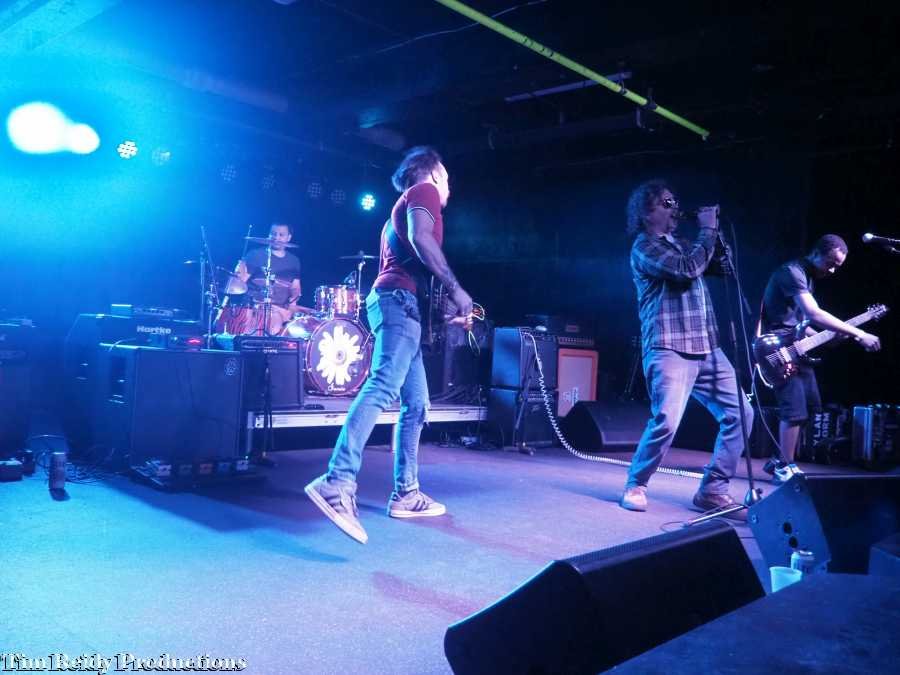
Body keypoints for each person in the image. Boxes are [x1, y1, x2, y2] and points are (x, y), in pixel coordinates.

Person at [305, 146, 473, 544]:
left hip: (400, 304)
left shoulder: (401, 209)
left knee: (417, 405)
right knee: (382, 386)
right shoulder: (423, 190)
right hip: (398, 303)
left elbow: (412, 262)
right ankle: (337, 481)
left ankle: (406, 493)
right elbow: (421, 238)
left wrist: (445, 310)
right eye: (447, 177)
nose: (449, 186)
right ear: (434, 172)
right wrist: (456, 288)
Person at [620, 179, 754, 517]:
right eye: (666, 203)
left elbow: (721, 267)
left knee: (742, 414)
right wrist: (706, 231)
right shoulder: (644, 247)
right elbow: (686, 269)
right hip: (669, 346)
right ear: (646, 212)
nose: (674, 208)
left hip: (707, 346)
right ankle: (636, 484)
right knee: (666, 420)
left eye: (675, 201)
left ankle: (713, 490)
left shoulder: (682, 244)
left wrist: (717, 238)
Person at [759, 234, 880, 482]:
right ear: (816, 253)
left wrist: (832, 337)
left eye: (838, 266)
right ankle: (785, 466)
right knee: (794, 410)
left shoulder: (808, 277)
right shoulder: (792, 272)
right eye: (830, 263)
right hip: (779, 348)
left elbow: (802, 325)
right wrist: (858, 332)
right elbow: (813, 313)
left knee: (811, 407)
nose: (833, 270)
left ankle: (779, 459)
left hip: (796, 345)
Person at [236, 222, 304, 335]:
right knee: (274, 320)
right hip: (256, 305)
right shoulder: (255, 255)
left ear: (289, 237)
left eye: (281, 235)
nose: (276, 237)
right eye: (273, 234)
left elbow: (295, 287)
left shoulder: (294, 261)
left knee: (308, 320)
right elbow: (239, 283)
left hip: (282, 307)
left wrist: (292, 306)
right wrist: (240, 270)